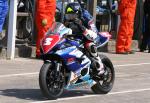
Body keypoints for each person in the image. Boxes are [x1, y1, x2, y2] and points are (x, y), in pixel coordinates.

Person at [64, 2, 110, 76]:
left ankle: (100, 66)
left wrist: (82, 27)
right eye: (68, 16)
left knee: (89, 44)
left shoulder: (86, 17)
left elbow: (95, 34)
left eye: (72, 15)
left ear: (78, 14)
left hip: (89, 36)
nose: (70, 17)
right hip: (75, 37)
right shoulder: (66, 18)